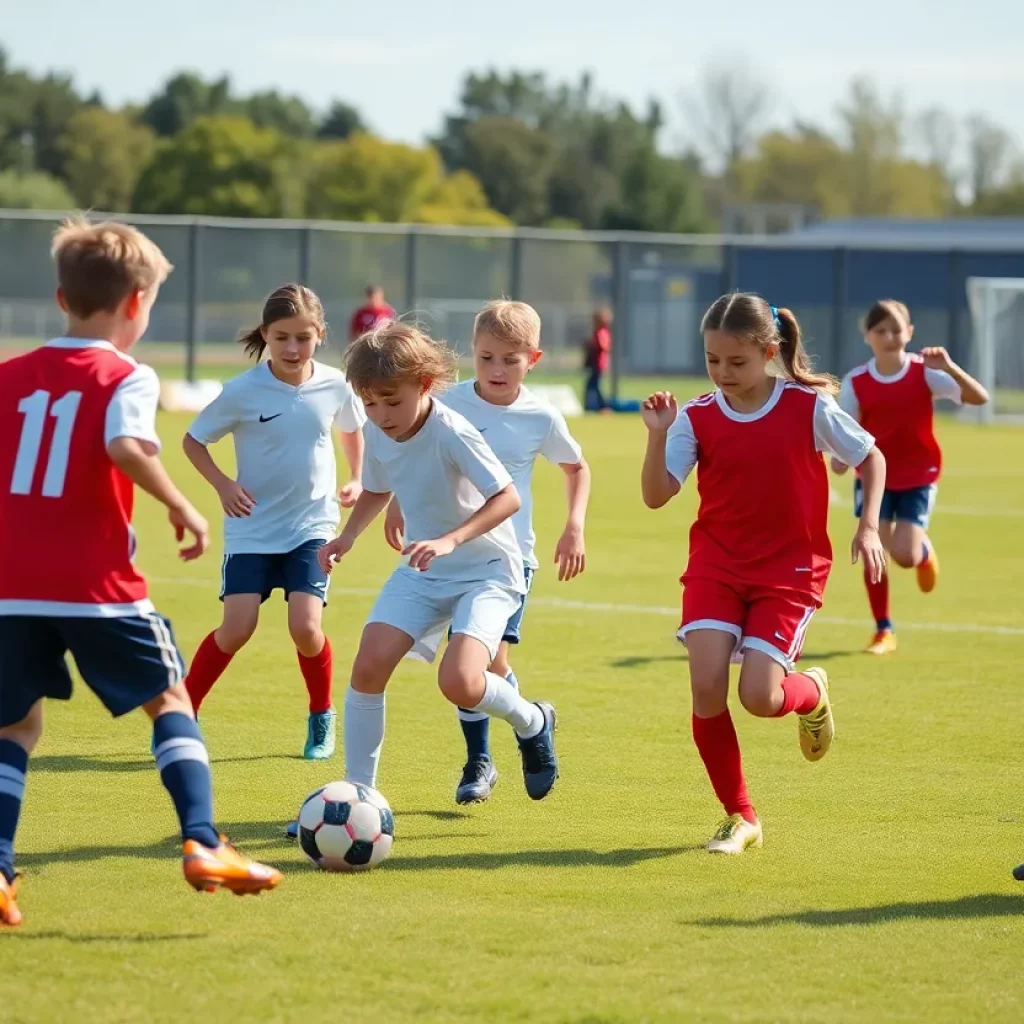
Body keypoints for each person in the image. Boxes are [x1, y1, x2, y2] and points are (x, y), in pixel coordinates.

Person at [0, 219, 282, 927]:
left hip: (9, 587)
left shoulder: (9, 376)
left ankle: (0, 871)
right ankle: (204, 841)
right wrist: (184, 504)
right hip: (96, 587)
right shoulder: (126, 374)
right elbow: (125, 444)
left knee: (14, 728)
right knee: (170, 701)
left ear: (62, 295)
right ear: (135, 305)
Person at [641, 293, 886, 855]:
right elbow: (657, 497)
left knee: (758, 696)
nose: (723, 374)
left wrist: (868, 526)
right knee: (705, 685)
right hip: (716, 565)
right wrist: (658, 435)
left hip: (790, 571)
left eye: (737, 362)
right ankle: (741, 815)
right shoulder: (697, 417)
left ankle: (811, 692)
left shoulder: (808, 406)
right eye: (712, 361)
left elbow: (871, 457)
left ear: (769, 352)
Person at [302, 321, 559, 823]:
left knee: (461, 682)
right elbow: (377, 487)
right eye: (369, 403)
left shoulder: (452, 430)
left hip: (486, 570)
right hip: (423, 571)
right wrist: (347, 536)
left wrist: (450, 538)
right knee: (369, 665)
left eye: (391, 401)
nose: (380, 415)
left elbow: (507, 497)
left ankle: (533, 721)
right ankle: (359, 799)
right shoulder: (381, 428)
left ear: (422, 383)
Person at [382, 300, 590, 804]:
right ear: (472, 354)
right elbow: (410, 447)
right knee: (476, 666)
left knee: (484, 662)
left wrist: (574, 527)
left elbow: (576, 467)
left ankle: (517, 736)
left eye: (510, 359)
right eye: (486, 357)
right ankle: (495, 750)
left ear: (533, 359)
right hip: (445, 554)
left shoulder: (540, 416)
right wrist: (394, 504)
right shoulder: (448, 402)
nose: (497, 370)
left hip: (507, 559)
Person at [181, 284, 365, 760]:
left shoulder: (335, 386)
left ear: (320, 335)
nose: (291, 347)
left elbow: (351, 430)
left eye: (302, 337)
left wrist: (357, 478)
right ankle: (181, 714)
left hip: (312, 526)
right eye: (281, 336)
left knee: (306, 628)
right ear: (265, 334)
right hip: (252, 528)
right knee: (237, 628)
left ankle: (321, 715)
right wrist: (223, 485)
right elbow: (193, 441)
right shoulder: (241, 391)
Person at [833, 299, 989, 655]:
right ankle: (883, 629)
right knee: (874, 549)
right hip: (874, 477)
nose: (889, 336)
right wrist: (841, 459)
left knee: (903, 554)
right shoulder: (857, 381)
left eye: (896, 329)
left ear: (910, 332)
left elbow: (980, 398)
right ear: (867, 336)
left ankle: (922, 552)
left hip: (919, 474)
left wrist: (949, 367)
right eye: (880, 330)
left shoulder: (925, 372)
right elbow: (848, 428)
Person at [583, 307, 612, 412]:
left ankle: (602, 406)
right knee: (593, 385)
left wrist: (591, 345)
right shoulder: (599, 331)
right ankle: (595, 406)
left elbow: (603, 346)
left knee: (594, 385)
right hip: (596, 363)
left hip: (598, 363)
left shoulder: (601, 332)